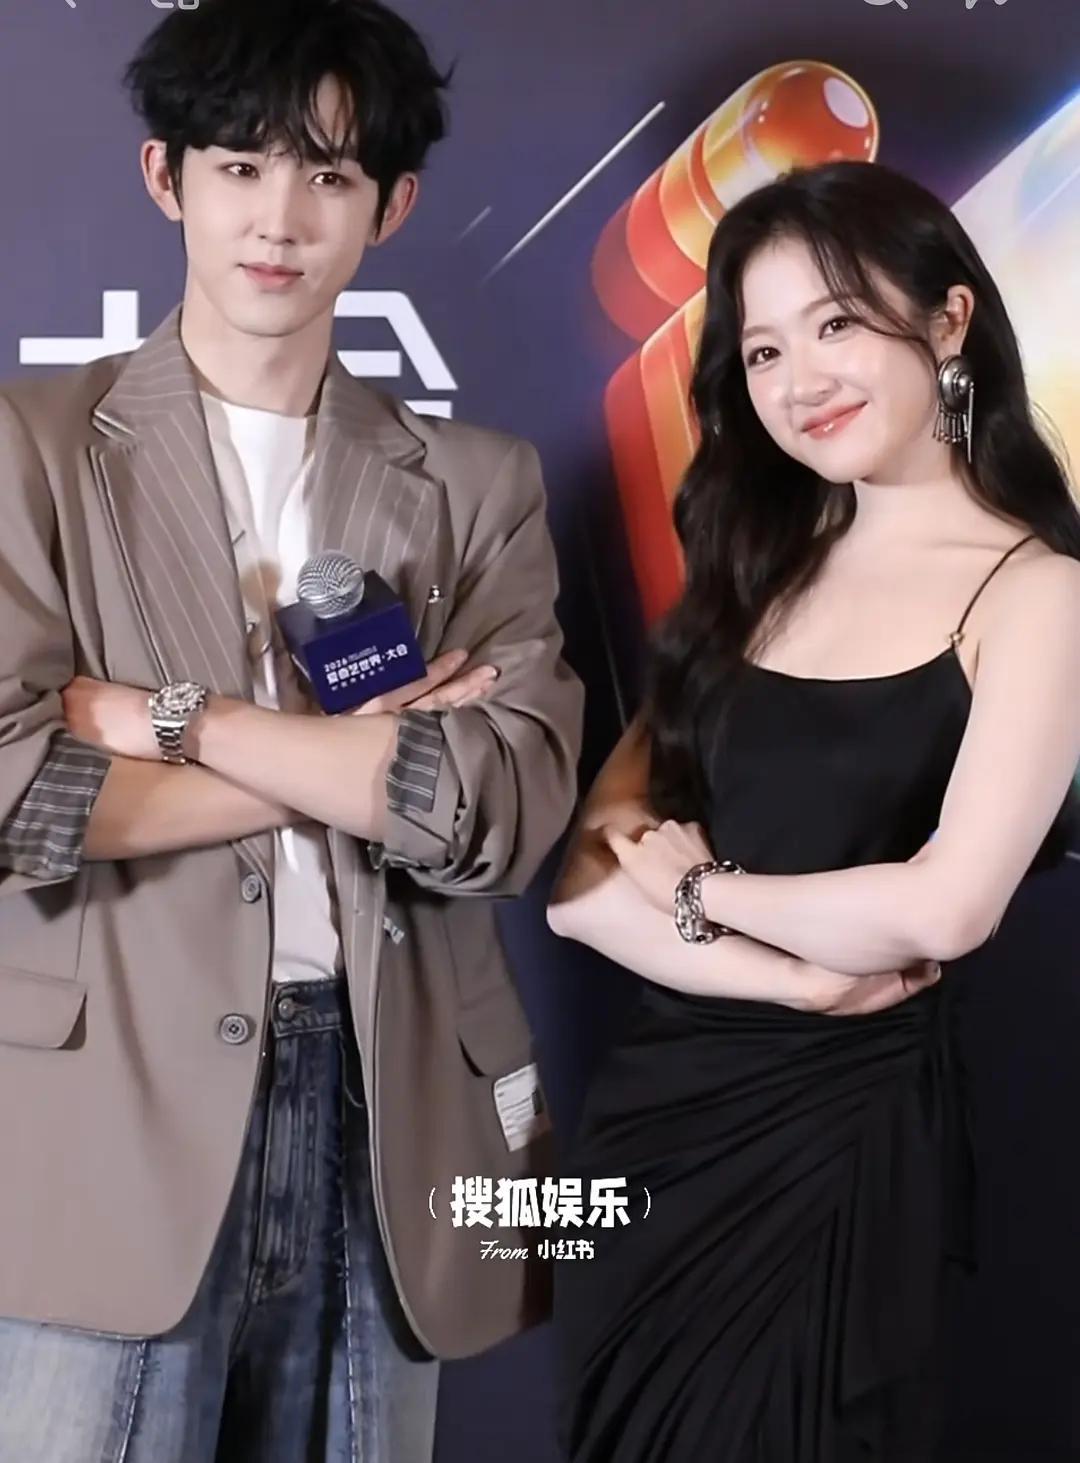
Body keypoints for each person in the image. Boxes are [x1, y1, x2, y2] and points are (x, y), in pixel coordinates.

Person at [0, 1, 583, 1458]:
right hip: (111, 1109)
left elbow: (500, 810)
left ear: (393, 205)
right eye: (242, 166)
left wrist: (168, 724)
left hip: (391, 1117)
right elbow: (21, 797)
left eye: (329, 175)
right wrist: (349, 762)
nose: (280, 218)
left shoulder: (479, 483)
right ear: (166, 177)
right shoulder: (33, 448)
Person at [547, 159, 1080, 1461]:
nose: (799, 381)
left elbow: (946, 907)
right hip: (656, 1131)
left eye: (837, 322)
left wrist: (700, 892)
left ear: (950, 319)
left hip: (846, 1143)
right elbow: (580, 888)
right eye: (765, 349)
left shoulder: (1039, 594)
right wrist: (785, 975)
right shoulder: (755, 572)